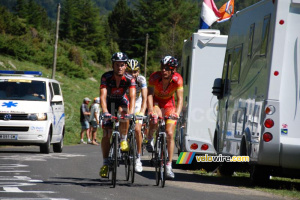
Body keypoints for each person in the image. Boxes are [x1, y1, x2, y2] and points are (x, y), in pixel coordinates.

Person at [99, 52, 136, 178]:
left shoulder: (130, 79)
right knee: (106, 133)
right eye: (117, 65)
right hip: (109, 103)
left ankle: (123, 139)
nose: (119, 67)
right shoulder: (106, 77)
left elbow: (132, 97)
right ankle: (105, 163)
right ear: (113, 65)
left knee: (124, 113)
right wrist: (105, 111)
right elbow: (103, 96)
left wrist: (131, 113)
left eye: (122, 65)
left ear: (125, 66)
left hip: (121, 101)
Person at [147, 56, 183, 179]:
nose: (164, 70)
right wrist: (151, 110)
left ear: (173, 70)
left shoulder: (178, 79)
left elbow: (180, 99)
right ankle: (150, 137)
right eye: (162, 67)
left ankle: (168, 165)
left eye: (167, 68)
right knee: (156, 117)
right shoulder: (154, 77)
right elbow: (150, 95)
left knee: (169, 133)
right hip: (156, 102)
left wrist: (177, 113)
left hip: (169, 104)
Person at [125, 59, 147, 172]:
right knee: (122, 122)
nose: (132, 74)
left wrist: (142, 112)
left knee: (138, 129)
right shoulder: (123, 78)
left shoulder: (141, 79)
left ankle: (138, 158)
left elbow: (144, 97)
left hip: (137, 103)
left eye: (135, 71)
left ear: (138, 71)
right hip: (125, 102)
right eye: (129, 72)